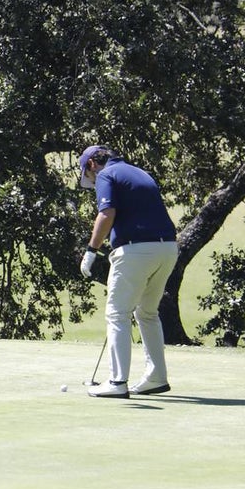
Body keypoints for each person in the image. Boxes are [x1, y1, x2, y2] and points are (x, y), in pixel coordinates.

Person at [78, 146, 179, 398]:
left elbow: (106, 213)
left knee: (117, 313)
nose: (91, 180)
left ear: (92, 164)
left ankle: (117, 382)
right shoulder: (140, 172)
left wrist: (91, 250)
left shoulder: (105, 175)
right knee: (147, 313)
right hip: (167, 248)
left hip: (136, 250)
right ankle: (156, 377)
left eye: (87, 174)